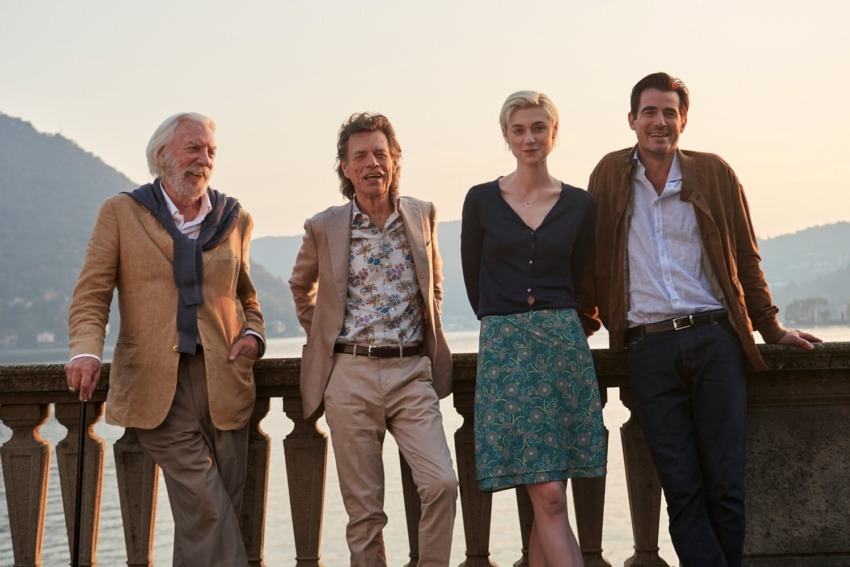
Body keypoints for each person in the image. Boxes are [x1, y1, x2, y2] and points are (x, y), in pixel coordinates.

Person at [578, 72, 821, 567]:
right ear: (632, 120)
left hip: (716, 340)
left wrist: (770, 327)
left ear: (683, 121)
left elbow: (745, 259)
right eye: (649, 112)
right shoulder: (607, 175)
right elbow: (591, 257)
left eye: (669, 112)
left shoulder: (713, 173)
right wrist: (579, 328)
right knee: (683, 492)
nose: (659, 122)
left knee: (726, 487)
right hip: (648, 349)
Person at [65, 112, 265, 566]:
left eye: (211, 151)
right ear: (161, 156)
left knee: (210, 516)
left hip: (225, 382)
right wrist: (84, 351)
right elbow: (91, 295)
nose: (204, 159)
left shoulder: (235, 218)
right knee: (210, 509)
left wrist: (253, 334)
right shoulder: (121, 212)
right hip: (157, 386)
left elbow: (247, 299)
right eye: (193, 148)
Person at [289, 112, 458, 567]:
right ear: (344, 167)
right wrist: (323, 335)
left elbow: (434, 286)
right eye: (359, 155)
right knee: (364, 515)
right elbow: (299, 286)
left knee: (441, 483)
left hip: (411, 373)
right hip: (349, 375)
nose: (371, 163)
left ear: (395, 159)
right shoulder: (324, 225)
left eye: (380, 154)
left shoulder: (422, 214)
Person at [461, 91, 607, 566]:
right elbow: (473, 282)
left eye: (539, 128)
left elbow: (587, 279)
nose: (530, 138)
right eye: (519, 129)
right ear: (506, 135)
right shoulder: (481, 200)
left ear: (554, 133)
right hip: (506, 351)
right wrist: (508, 325)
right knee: (546, 495)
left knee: (549, 495)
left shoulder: (581, 204)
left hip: (563, 348)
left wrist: (563, 324)